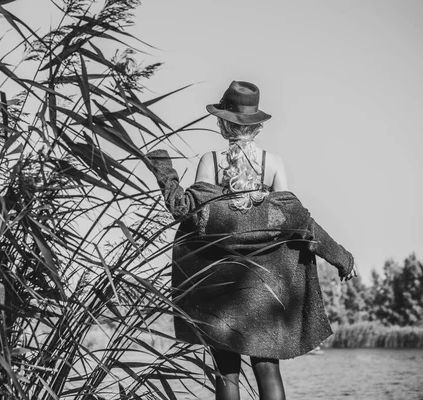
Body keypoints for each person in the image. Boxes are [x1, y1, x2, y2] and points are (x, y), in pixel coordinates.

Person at [146, 81, 356, 400]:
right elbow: (299, 224)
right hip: (266, 290)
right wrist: (342, 259)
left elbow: (186, 211)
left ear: (222, 123)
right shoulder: (273, 164)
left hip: (221, 288)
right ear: (257, 126)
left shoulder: (211, 162)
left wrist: (163, 167)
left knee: (226, 371)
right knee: (268, 368)